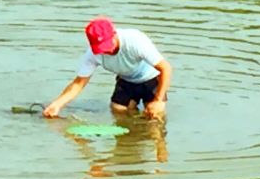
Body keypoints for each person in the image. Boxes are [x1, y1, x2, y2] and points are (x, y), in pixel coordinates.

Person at [42, 17, 171, 121]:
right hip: (126, 80)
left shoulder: (135, 40)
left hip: (151, 78)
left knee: (155, 114)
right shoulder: (92, 54)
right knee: (118, 111)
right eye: (101, 48)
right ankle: (133, 137)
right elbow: (78, 83)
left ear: (114, 34)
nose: (107, 51)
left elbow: (166, 68)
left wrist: (158, 100)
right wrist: (57, 104)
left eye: (108, 45)